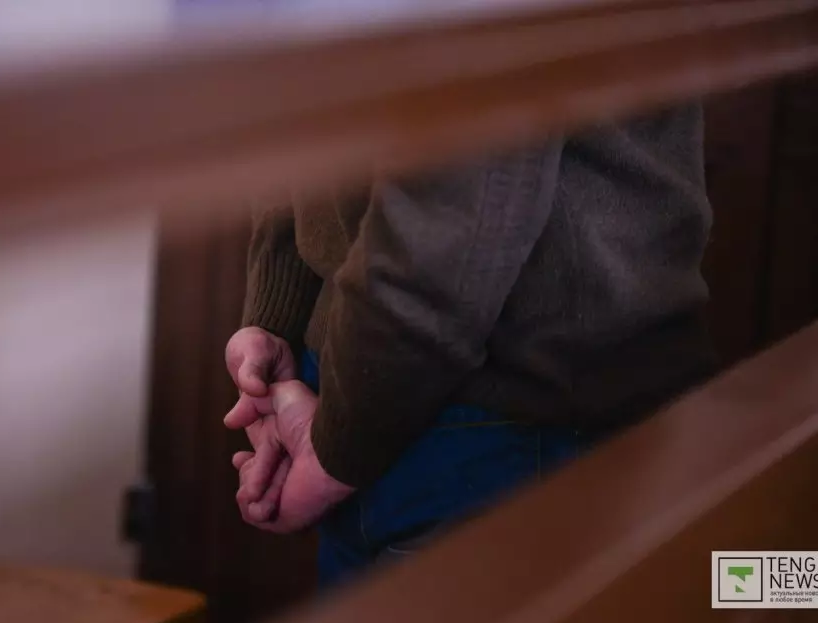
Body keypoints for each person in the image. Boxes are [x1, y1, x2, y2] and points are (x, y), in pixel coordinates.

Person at [224, 104, 716, 589]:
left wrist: (336, 452)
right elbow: (306, 104)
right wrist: (277, 320)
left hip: (515, 416)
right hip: (362, 389)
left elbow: (460, 208)